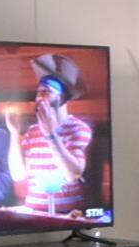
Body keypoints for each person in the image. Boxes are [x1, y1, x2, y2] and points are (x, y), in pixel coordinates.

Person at [31, 72, 95, 202]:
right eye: (38, 92)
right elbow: (19, 175)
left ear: (61, 97)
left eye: (46, 92)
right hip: (33, 210)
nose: (40, 97)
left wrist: (50, 135)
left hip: (66, 212)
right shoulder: (32, 131)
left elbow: (73, 174)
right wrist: (14, 133)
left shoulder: (78, 128)